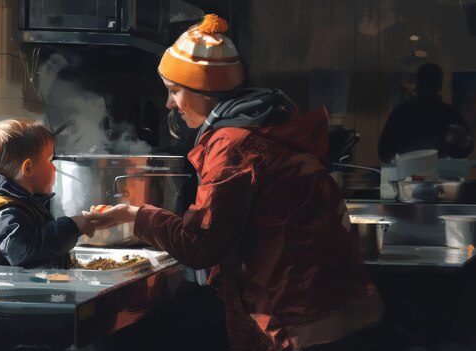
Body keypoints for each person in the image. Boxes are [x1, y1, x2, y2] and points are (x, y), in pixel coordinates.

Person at [89, 14, 384, 351]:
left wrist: (133, 215)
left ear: (203, 90)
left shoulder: (231, 145)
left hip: (294, 322)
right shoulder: (265, 126)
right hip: (334, 311)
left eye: (174, 91)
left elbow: (200, 243)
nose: (170, 104)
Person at [0, 119, 94, 268]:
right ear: (28, 168)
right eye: (50, 160)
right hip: (11, 290)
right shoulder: (5, 213)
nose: (54, 167)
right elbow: (26, 251)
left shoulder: (19, 201)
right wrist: (72, 226)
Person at [378, 62, 474, 163]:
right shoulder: (449, 113)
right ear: (440, 86)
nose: (429, 85)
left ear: (418, 83)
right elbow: (462, 152)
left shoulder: (401, 113)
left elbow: (385, 153)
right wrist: (463, 142)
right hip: (442, 174)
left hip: (406, 173)